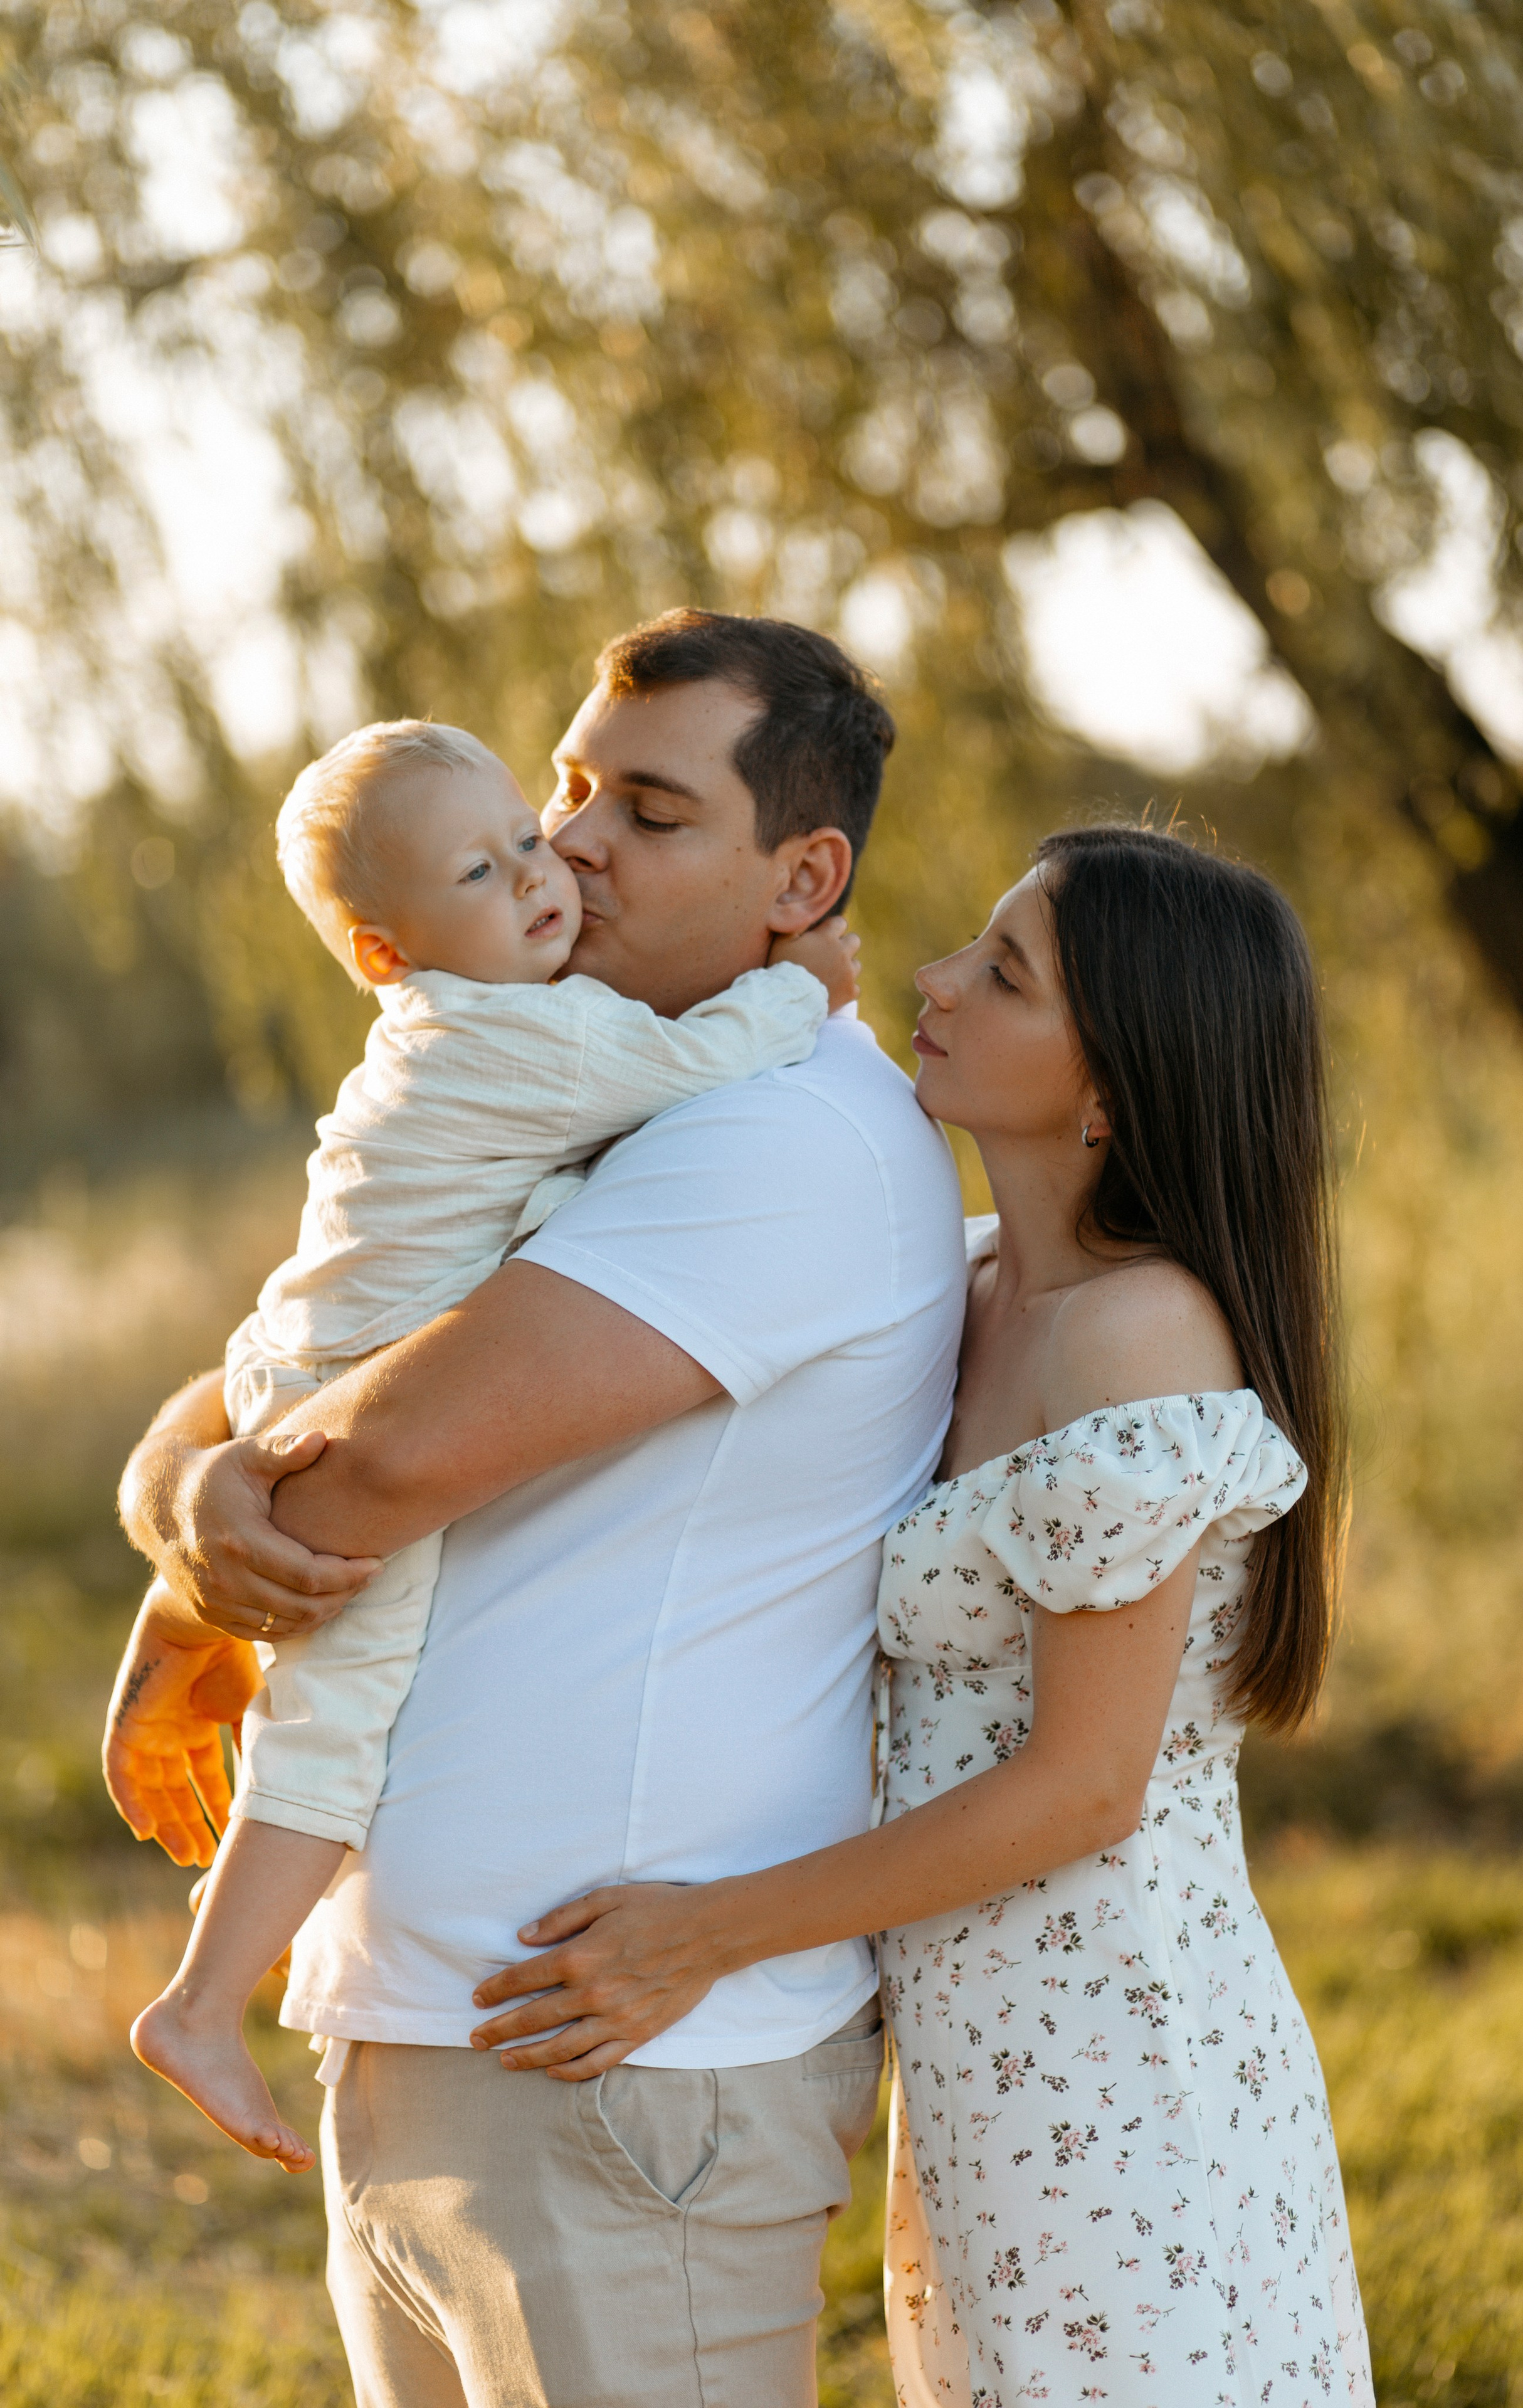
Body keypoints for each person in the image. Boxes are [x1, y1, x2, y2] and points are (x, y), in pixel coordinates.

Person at [106, 609, 967, 2408]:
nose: (572, 840)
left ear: (804, 877)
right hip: (445, 2033)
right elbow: (306, 1353)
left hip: (613, 2071)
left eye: (649, 812)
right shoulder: (569, 1086)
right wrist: (181, 1485)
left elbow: (378, 1458)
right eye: (569, 786)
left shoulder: (780, 1131)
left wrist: (208, 1536)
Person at [458, 825, 1376, 2405]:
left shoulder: (1137, 1339)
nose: (936, 980)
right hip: (978, 2057)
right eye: (971, 944)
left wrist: (702, 1932)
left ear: (1110, 1090)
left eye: (1003, 973)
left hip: (1114, 2068)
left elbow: (1081, 1789)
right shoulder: (963, 1286)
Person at [122, 710, 859, 2173]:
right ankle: (202, 2003)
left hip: (304, 1348)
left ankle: (175, 1652)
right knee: (337, 1712)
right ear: (384, 954)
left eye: (536, 831)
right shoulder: (528, 1038)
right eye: (486, 868)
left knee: (313, 1676)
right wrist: (806, 991)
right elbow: (690, 1063)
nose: (548, 867)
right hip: (345, 1383)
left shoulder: (442, 1034)